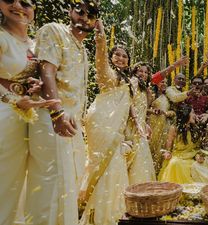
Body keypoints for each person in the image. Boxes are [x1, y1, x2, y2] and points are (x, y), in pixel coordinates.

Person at [35, 1, 99, 223]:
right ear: (70, 10)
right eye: (79, 10)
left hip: (72, 125)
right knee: (51, 186)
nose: (84, 17)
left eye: (91, 13)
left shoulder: (83, 49)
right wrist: (56, 113)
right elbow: (47, 72)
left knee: (69, 185)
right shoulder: (53, 31)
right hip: (51, 120)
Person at [0, 0, 60, 223]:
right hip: (5, 115)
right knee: (5, 180)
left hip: (33, 118)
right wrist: (14, 99)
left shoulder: (37, 45)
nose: (18, 6)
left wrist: (35, 87)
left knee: (32, 181)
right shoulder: (2, 37)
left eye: (25, 2)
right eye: (9, 0)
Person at [78, 20, 134, 225]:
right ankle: (99, 215)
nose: (120, 58)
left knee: (116, 163)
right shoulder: (106, 73)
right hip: (100, 125)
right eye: (116, 54)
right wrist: (100, 33)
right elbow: (100, 55)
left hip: (116, 129)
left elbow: (130, 107)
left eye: (124, 55)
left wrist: (138, 123)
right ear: (111, 57)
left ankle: (113, 211)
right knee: (105, 161)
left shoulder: (129, 81)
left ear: (128, 61)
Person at [158, 104, 201, 184]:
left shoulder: (194, 128)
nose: (195, 115)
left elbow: (197, 147)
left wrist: (198, 155)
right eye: (192, 113)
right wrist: (167, 152)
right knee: (175, 163)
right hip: (178, 157)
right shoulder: (174, 128)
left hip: (191, 157)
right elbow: (169, 143)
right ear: (186, 114)